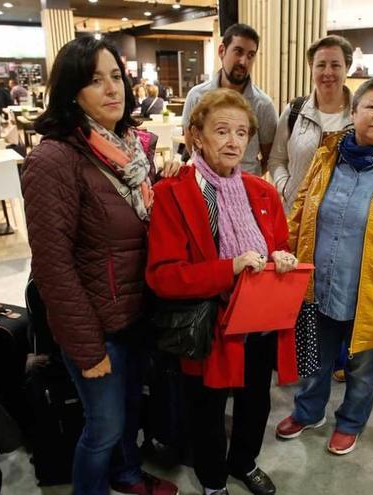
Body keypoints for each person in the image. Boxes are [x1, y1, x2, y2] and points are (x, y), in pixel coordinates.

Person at [21, 36, 178, 495]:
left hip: (133, 313)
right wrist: (86, 348)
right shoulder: (54, 160)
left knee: (130, 410)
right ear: (72, 91)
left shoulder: (129, 149)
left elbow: (136, 227)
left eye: (116, 77)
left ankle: (128, 476)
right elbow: (53, 267)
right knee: (103, 428)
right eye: (95, 80)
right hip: (94, 325)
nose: (113, 89)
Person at [146, 88, 300, 495]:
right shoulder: (173, 194)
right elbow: (163, 276)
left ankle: (245, 462)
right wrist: (228, 268)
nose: (234, 141)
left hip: (258, 322)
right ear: (196, 135)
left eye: (241, 132)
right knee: (207, 411)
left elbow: (280, 246)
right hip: (209, 327)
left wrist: (282, 260)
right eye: (221, 131)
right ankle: (213, 482)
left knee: (255, 404)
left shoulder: (262, 192)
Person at [275, 78, 373, 456]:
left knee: (363, 370)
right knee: (313, 358)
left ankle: (350, 422)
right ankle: (309, 412)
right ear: (354, 112)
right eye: (371, 106)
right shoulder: (327, 156)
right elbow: (300, 211)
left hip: (372, 293)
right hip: (318, 283)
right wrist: (288, 259)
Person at [268, 34, 355, 212]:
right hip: (296, 215)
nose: (328, 72)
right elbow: (276, 159)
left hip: (342, 219)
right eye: (321, 65)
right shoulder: (295, 111)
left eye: (335, 65)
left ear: (347, 68)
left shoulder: (360, 115)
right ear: (311, 68)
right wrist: (285, 187)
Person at [182, 23, 277, 175]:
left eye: (250, 55)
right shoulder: (197, 96)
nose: (243, 61)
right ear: (222, 51)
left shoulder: (263, 105)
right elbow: (191, 144)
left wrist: (247, 178)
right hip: (204, 185)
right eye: (238, 52)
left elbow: (269, 156)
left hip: (246, 187)